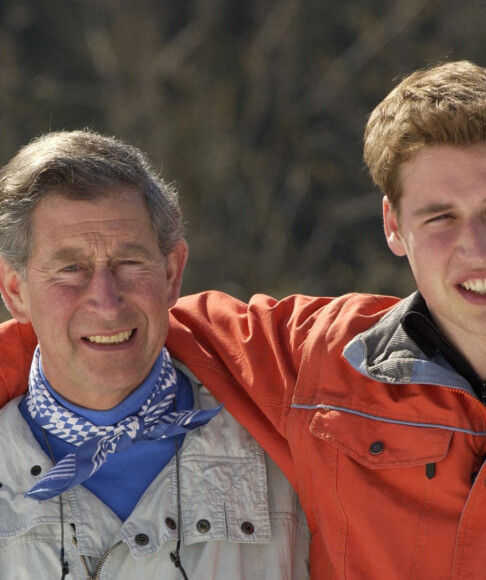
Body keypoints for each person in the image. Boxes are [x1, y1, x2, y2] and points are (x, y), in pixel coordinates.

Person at [2, 60, 486, 579]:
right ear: (393, 226)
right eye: (439, 217)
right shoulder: (325, 367)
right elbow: (97, 335)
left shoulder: (303, 382)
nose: (476, 247)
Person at [0, 130, 310, 579]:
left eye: (129, 262)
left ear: (171, 273)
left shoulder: (287, 453)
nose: (106, 301)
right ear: (16, 291)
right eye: (71, 269)